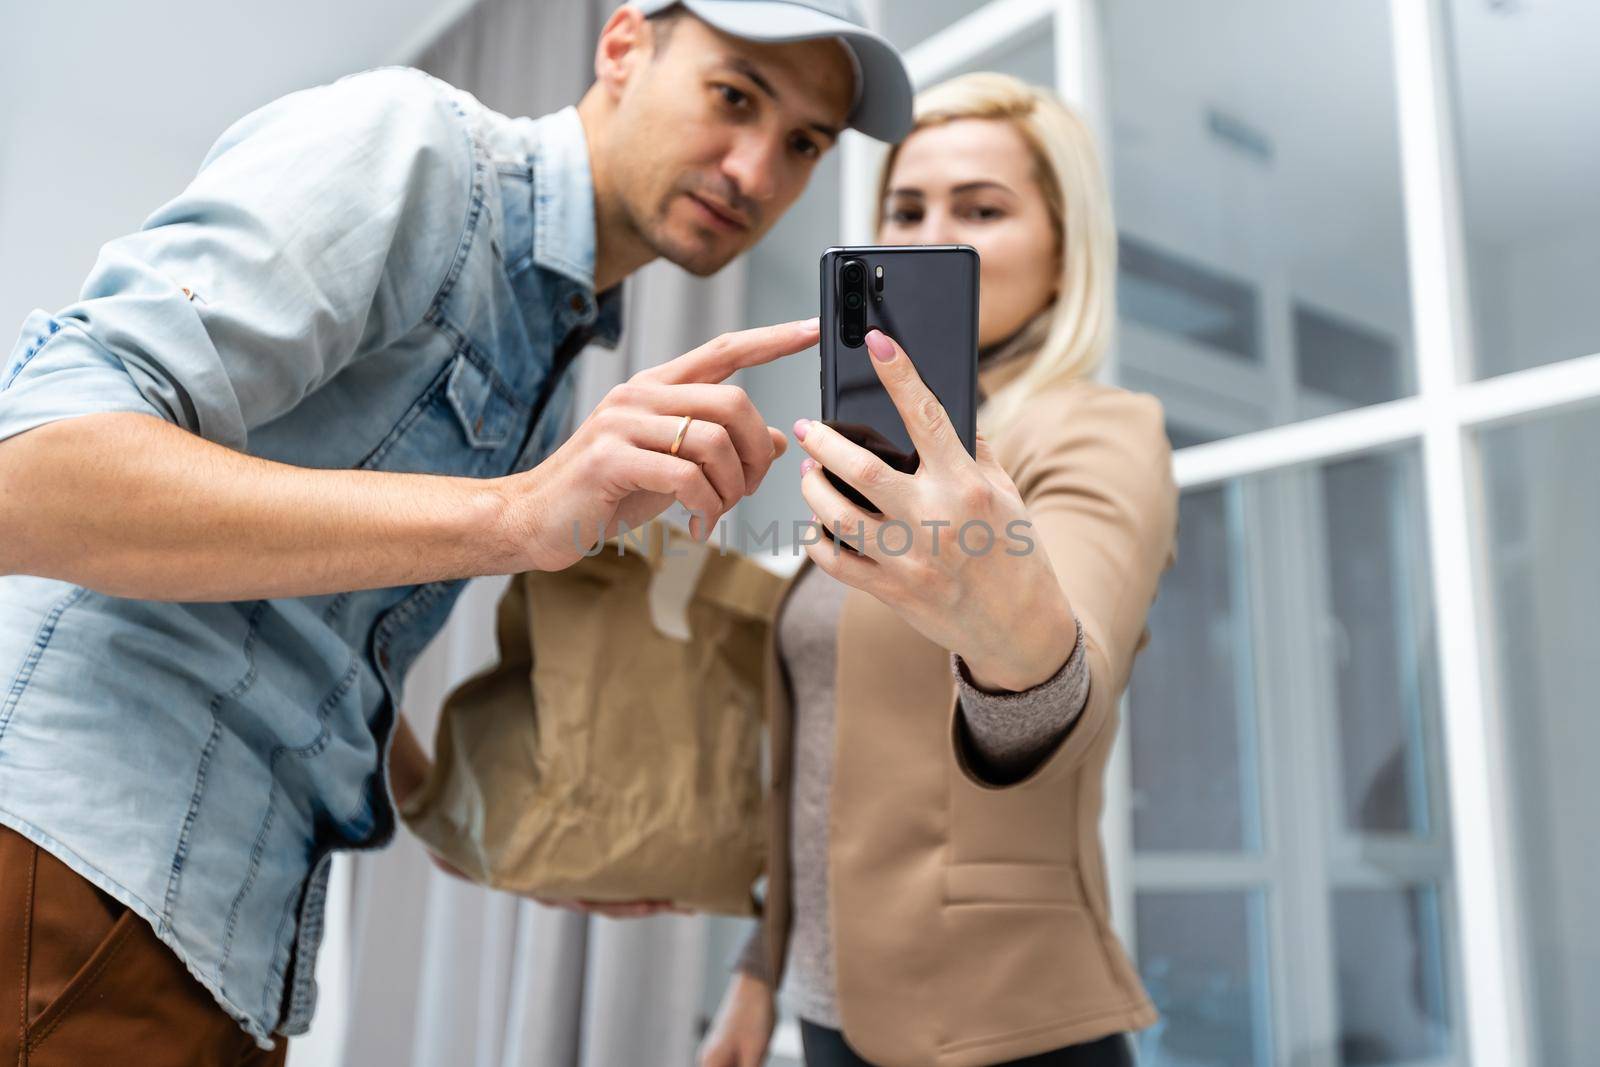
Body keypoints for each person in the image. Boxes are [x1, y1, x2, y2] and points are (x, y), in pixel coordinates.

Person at [0, 3, 911, 1063]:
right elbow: (33, 475)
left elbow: (309, 636)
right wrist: (514, 516)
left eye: (803, 142)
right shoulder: (415, 150)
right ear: (622, 45)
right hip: (72, 875)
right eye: (734, 96)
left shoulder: (554, 354)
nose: (756, 169)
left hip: (214, 934)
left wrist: (482, 814)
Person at [699, 73, 1178, 1067]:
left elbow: (1068, 691)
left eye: (979, 209)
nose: (926, 236)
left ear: (1061, 256)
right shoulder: (871, 467)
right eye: (904, 208)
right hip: (827, 1009)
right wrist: (759, 968)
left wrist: (1012, 633)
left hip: (1000, 1017)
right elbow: (828, 763)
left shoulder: (1095, 432)